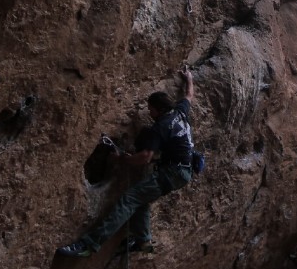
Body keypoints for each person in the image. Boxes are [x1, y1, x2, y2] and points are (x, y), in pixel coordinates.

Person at [56, 67, 196, 258]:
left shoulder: (161, 126)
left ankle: (89, 244)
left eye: (151, 109)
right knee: (142, 198)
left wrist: (123, 158)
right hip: (183, 171)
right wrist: (189, 78)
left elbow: (145, 157)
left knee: (129, 199)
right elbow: (189, 95)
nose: (149, 112)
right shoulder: (179, 112)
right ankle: (143, 240)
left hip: (172, 173)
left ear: (158, 109)